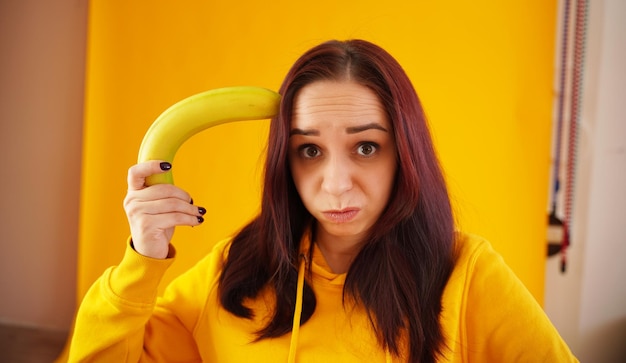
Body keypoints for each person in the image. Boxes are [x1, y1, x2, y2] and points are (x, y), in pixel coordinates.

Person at [67, 39, 578, 362]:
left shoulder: (468, 274)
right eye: (309, 149)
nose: (335, 185)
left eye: (366, 147)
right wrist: (143, 258)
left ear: (406, 153)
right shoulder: (236, 269)